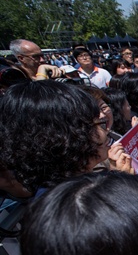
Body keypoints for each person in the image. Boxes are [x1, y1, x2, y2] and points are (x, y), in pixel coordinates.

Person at [0, 81, 130, 195]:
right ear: (60, 139)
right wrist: (122, 184)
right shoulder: (68, 207)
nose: (104, 130)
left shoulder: (79, 185)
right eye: (92, 124)